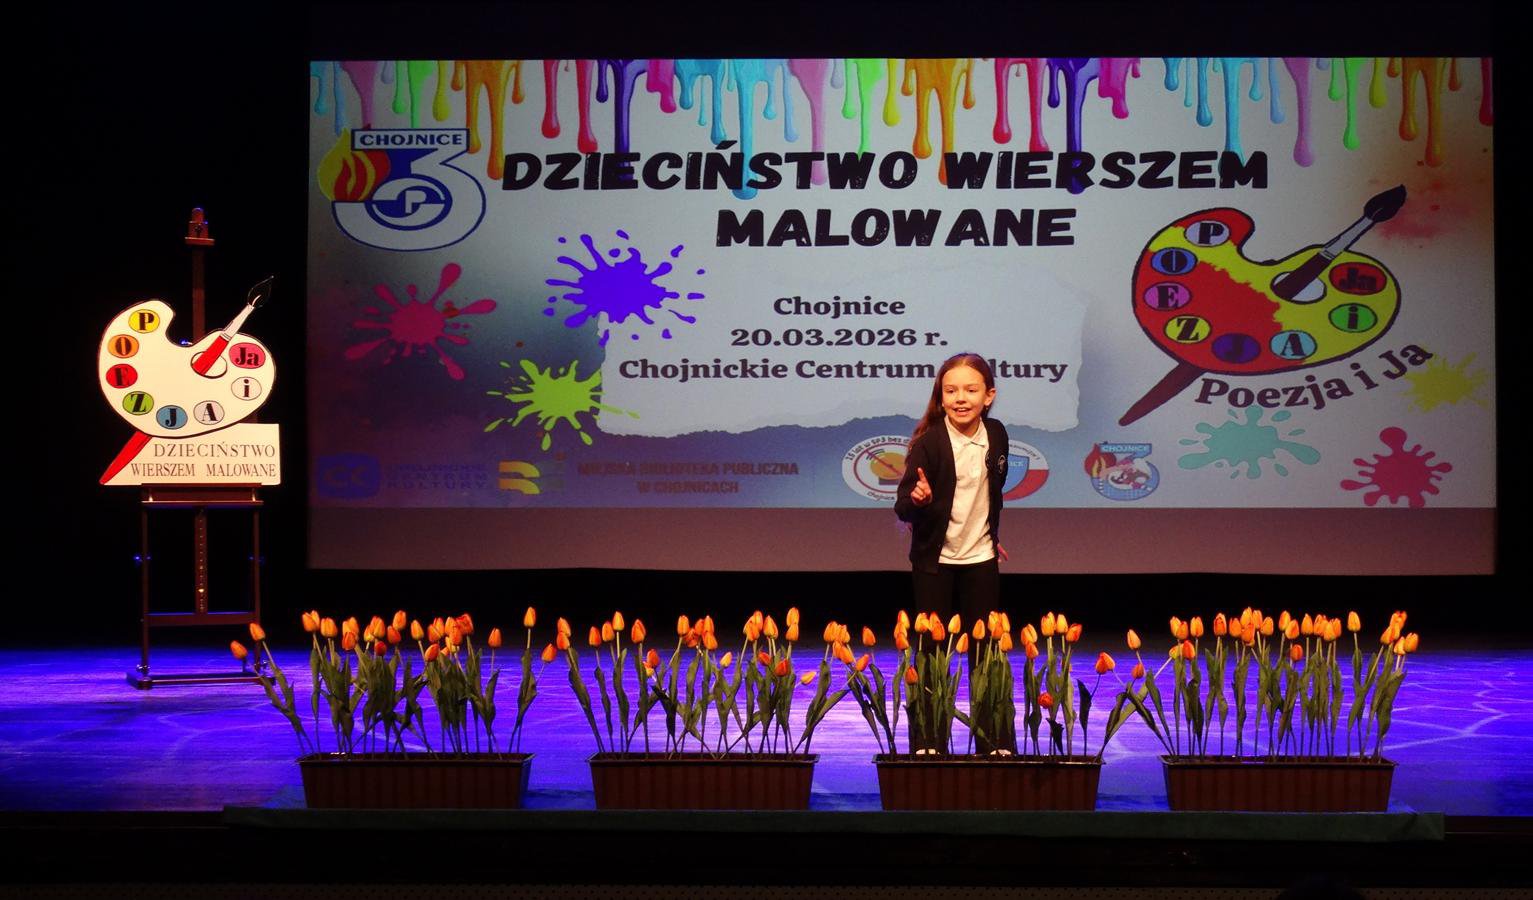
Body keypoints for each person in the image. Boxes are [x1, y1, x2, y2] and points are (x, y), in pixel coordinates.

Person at [894, 353, 1011, 752]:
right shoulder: (929, 444)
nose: (961, 398)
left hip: (981, 558)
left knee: (987, 652)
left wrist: (990, 533)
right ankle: (929, 740)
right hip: (936, 563)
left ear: (988, 396)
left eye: (971, 390)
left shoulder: (997, 434)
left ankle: (993, 740)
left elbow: (991, 493)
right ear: (941, 397)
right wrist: (918, 500)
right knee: (931, 653)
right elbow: (902, 507)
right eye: (951, 391)